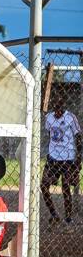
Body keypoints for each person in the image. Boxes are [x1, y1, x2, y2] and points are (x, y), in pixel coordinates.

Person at [41, 97, 82, 226]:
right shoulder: (49, 118)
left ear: (64, 108)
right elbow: (49, 134)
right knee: (44, 186)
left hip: (68, 159)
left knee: (65, 188)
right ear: (53, 108)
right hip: (53, 158)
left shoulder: (71, 117)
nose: (58, 112)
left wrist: (79, 159)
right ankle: (54, 215)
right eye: (56, 109)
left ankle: (68, 218)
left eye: (60, 109)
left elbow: (79, 136)